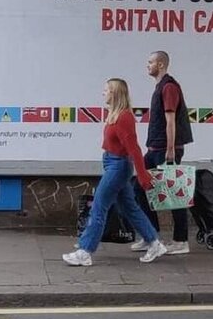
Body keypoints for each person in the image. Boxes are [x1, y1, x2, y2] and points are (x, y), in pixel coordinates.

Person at [62, 78, 167, 266]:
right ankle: (154, 242)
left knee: (98, 207)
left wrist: (142, 175)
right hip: (113, 163)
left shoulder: (124, 117)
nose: (103, 93)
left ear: (115, 93)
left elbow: (134, 148)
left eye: (106, 90)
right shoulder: (115, 114)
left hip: (118, 167)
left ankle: (85, 251)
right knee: (129, 208)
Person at [133, 50, 193, 256]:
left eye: (150, 62)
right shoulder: (160, 87)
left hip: (166, 150)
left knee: (174, 194)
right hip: (154, 148)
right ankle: (151, 236)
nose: (147, 65)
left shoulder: (168, 87)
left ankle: (181, 240)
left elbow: (170, 121)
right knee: (139, 186)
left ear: (160, 64)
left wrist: (170, 150)